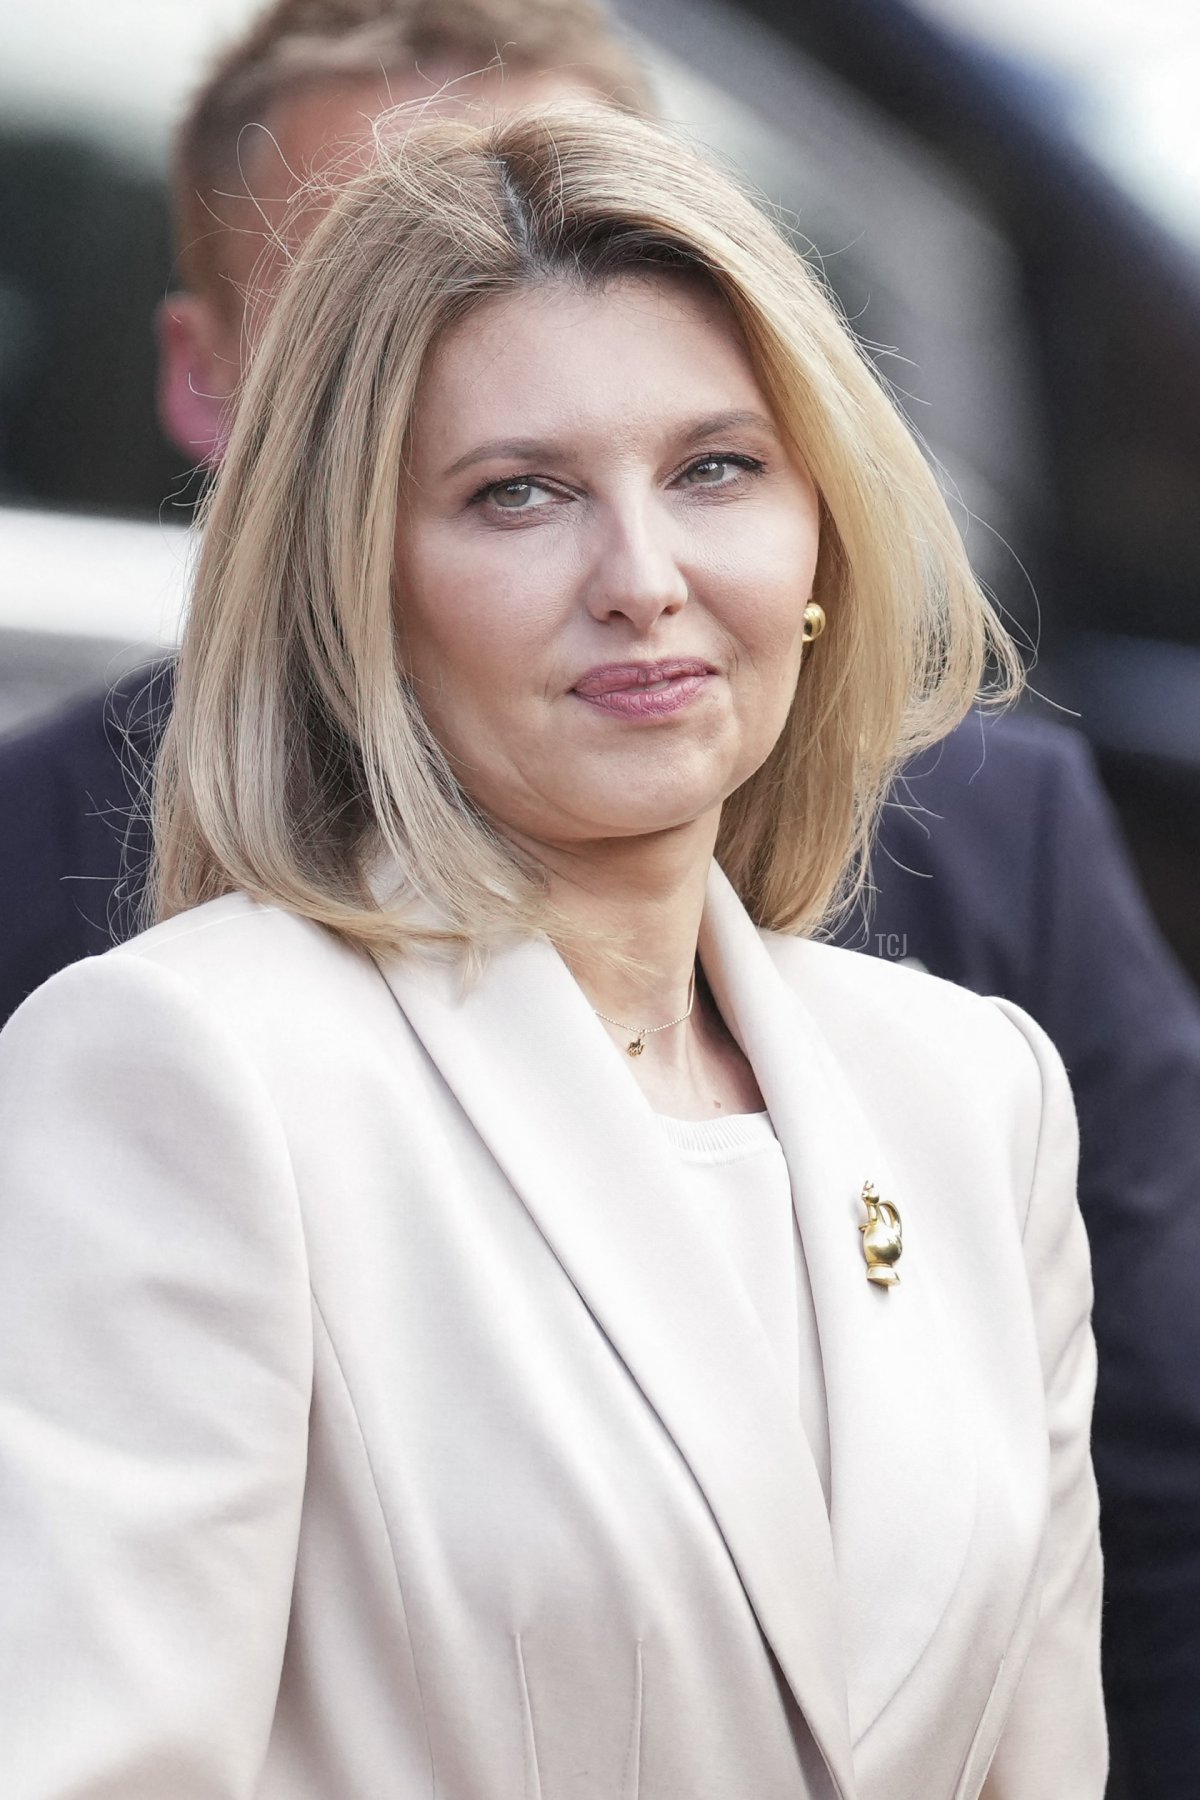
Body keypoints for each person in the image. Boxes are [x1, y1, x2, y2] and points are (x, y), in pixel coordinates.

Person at [0, 5, 1194, 1788]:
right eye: (519, 495)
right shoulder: (183, 1070)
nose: (642, 578)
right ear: (360, 587)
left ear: (819, 539)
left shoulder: (970, 1088)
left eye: (716, 469)